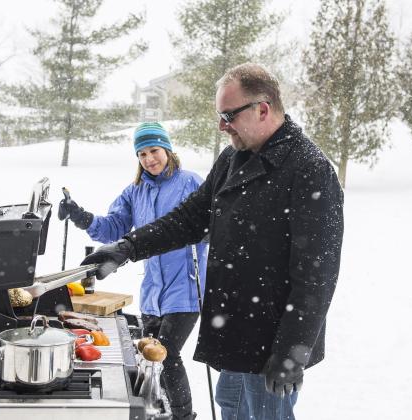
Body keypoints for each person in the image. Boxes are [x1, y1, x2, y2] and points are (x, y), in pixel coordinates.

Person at [81, 63, 344, 420]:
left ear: (262, 109)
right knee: (231, 407)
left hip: (271, 343)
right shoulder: (233, 159)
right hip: (234, 332)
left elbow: (317, 275)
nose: (222, 126)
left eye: (228, 115)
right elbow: (190, 218)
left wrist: (292, 351)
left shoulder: (310, 169)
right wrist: (128, 247)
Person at [58, 122, 206, 420]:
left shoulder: (190, 183)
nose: (149, 159)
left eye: (154, 151)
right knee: (149, 357)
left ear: (167, 149)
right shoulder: (135, 191)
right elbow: (113, 227)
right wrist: (81, 216)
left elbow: (209, 221)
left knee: (167, 354)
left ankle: (183, 417)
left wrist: (202, 232)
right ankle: (155, 411)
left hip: (186, 287)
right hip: (153, 291)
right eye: (142, 154)